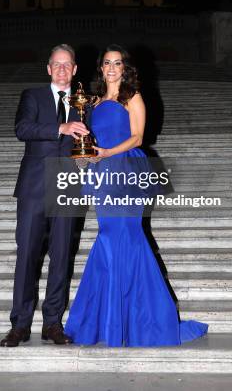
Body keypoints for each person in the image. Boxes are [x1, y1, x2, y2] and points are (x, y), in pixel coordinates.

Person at [64, 44, 208, 346]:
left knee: (126, 236)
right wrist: (88, 157)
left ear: (125, 68)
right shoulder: (94, 102)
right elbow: (90, 140)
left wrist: (107, 152)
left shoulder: (133, 97)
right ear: (101, 68)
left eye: (118, 63)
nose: (112, 68)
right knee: (108, 235)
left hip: (127, 170)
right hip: (103, 172)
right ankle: (115, 320)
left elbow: (138, 137)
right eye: (107, 63)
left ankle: (142, 320)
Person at [0, 44, 89, 346]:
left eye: (68, 65)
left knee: (62, 254)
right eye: (57, 64)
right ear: (48, 68)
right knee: (27, 254)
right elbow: (22, 128)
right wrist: (61, 128)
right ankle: (20, 324)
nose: (63, 69)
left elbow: (91, 142)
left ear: (75, 69)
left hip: (67, 181)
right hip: (35, 184)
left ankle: (52, 323)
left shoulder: (84, 102)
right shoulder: (33, 96)